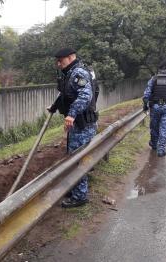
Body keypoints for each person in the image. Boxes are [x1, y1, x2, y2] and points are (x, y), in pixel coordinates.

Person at [47, 47, 98, 208]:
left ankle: (80, 196)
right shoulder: (70, 73)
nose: (58, 63)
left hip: (82, 124)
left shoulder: (79, 73)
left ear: (70, 57)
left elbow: (85, 95)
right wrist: (54, 107)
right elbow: (65, 93)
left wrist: (72, 114)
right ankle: (76, 188)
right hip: (78, 124)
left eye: (60, 60)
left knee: (77, 160)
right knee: (73, 157)